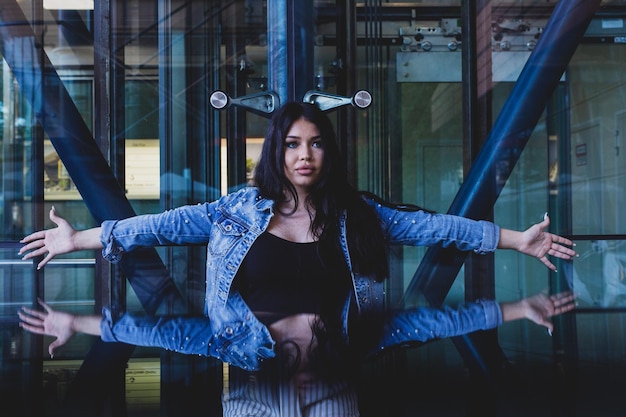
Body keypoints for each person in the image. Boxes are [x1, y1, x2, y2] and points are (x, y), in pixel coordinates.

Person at [18, 101, 578, 416]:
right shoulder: (237, 213)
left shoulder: (355, 216)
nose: (304, 154)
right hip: (253, 393)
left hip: (335, 393)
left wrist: (514, 242)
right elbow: (161, 230)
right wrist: (82, 244)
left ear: (327, 150)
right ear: (276, 151)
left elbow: (431, 233)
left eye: (314, 142)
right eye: (291, 143)